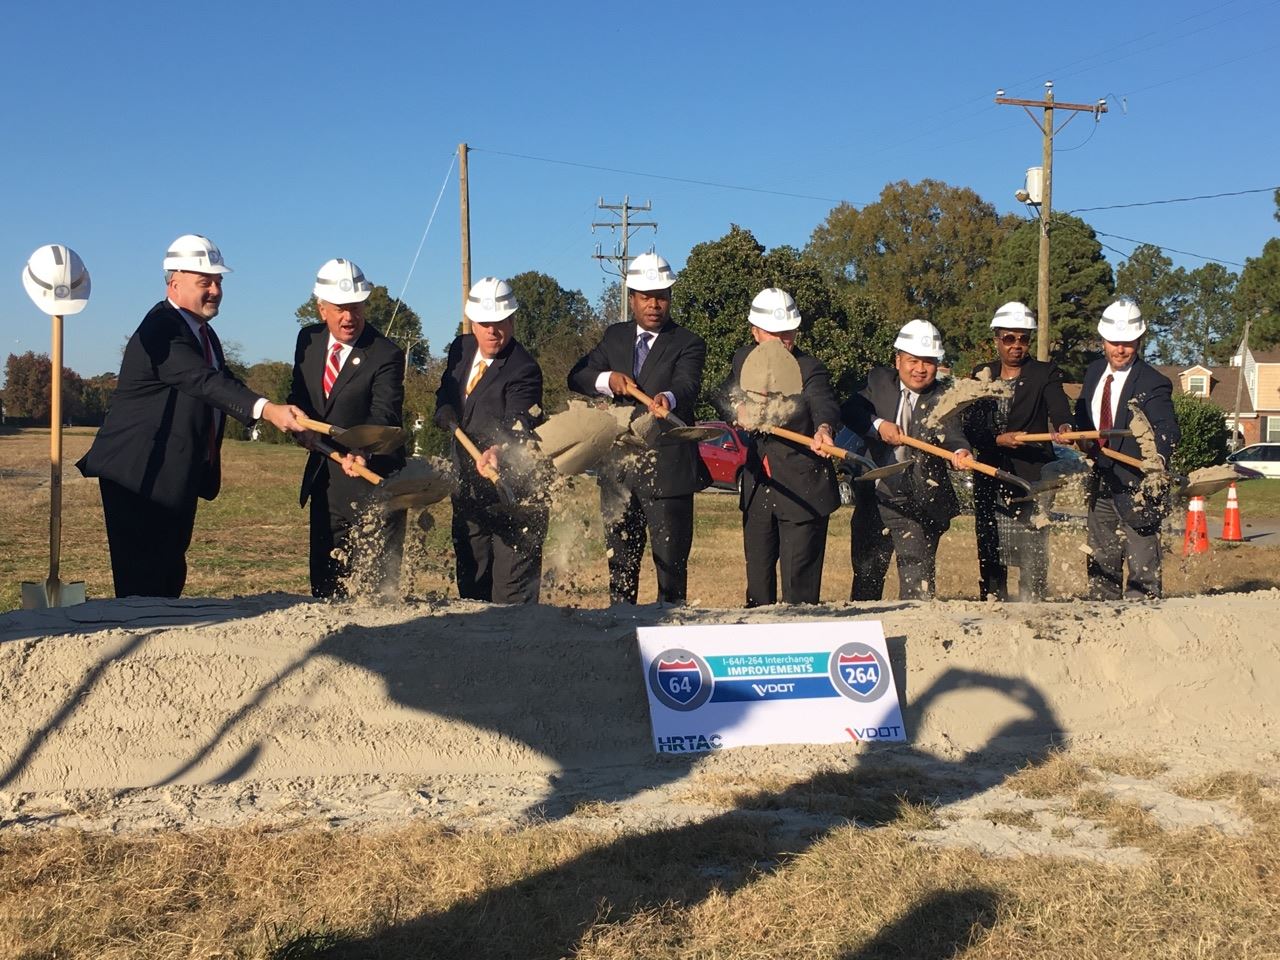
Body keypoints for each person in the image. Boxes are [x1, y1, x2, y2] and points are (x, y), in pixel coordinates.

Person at [76, 234, 304, 598]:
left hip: (175, 473)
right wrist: (266, 411)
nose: (215, 290)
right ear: (175, 282)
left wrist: (274, 408)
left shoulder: (202, 333)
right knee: (143, 586)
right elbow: (200, 380)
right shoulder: (162, 330)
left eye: (219, 282)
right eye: (205, 282)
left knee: (168, 573)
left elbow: (222, 380)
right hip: (139, 476)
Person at [567, 252, 708, 605]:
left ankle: (671, 635)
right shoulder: (614, 337)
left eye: (661, 296)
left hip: (669, 468)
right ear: (632, 298)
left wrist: (668, 398)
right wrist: (607, 379)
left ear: (670, 298)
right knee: (621, 565)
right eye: (646, 297)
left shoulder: (688, 342)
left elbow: (688, 385)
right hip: (620, 471)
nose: (654, 305)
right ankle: (622, 628)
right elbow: (577, 375)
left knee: (671, 566)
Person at [288, 259, 406, 599]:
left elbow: (384, 413)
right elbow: (299, 395)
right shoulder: (307, 341)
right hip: (325, 483)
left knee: (373, 593)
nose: (349, 317)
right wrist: (299, 425)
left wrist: (364, 448)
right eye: (340, 309)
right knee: (326, 590)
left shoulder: (386, 354)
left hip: (373, 484)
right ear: (321, 308)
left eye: (356, 308)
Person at [718, 288, 841, 606]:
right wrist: (737, 409)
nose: (782, 341)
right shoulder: (744, 360)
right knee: (758, 587)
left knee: (799, 590)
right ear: (755, 333)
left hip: (803, 490)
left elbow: (823, 404)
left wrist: (824, 429)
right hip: (759, 487)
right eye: (773, 334)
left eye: (787, 333)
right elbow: (720, 395)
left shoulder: (809, 368)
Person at [842, 320, 973, 601]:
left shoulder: (944, 398)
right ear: (898, 359)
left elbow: (953, 434)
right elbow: (851, 410)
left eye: (928, 362)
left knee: (918, 583)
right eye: (913, 360)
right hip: (876, 498)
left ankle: (917, 636)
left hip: (918, 502)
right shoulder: (878, 382)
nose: (920, 369)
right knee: (866, 575)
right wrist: (878, 425)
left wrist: (960, 452)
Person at [435, 277, 547, 604]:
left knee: (510, 597)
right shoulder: (461, 348)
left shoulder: (523, 368)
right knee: (471, 585)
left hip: (513, 496)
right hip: (468, 489)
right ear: (472, 322)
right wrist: (443, 408)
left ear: (512, 321)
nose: (493, 331)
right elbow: (448, 388)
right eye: (485, 324)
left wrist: (499, 449)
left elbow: (520, 421)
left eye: (500, 323)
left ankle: (515, 652)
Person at [964, 302, 1074, 601]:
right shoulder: (981, 375)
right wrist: (998, 440)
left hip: (1033, 477)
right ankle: (993, 602)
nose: (1017, 346)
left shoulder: (1044, 372)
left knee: (1032, 549)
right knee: (990, 545)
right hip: (991, 471)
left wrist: (1064, 425)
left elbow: (1059, 405)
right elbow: (972, 427)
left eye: (1023, 339)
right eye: (1009, 338)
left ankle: (1031, 607)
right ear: (997, 339)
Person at [1075, 300, 1179, 600]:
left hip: (1138, 487)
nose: (1120, 350)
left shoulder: (1153, 383)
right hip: (1101, 482)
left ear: (1139, 341)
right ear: (1103, 341)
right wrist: (1074, 433)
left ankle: (1144, 630)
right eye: (1114, 343)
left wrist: (1157, 459)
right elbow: (1083, 417)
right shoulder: (1094, 372)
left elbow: (1167, 428)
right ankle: (1103, 626)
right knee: (1101, 565)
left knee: (1142, 572)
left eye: (1128, 343)